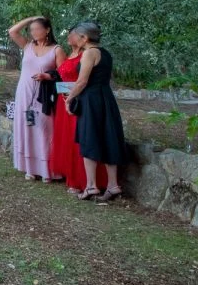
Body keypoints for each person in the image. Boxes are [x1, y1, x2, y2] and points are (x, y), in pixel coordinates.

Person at [67, 22, 128, 202]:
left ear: (84, 38)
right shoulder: (106, 53)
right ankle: (112, 185)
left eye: (76, 36)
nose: (74, 39)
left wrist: (69, 98)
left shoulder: (89, 53)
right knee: (108, 138)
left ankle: (91, 186)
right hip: (106, 99)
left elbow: (82, 81)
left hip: (91, 101)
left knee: (89, 138)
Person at [41, 33, 108, 194]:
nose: (68, 38)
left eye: (72, 35)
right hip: (62, 99)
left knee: (78, 138)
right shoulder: (69, 54)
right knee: (66, 139)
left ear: (82, 38)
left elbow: (85, 80)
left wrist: (72, 94)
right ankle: (70, 176)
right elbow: (61, 74)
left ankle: (83, 180)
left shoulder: (85, 55)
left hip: (77, 101)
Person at [8, 15, 66, 181]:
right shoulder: (27, 46)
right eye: (31, 29)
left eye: (37, 28)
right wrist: (31, 19)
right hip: (24, 93)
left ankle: (47, 169)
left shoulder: (57, 50)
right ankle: (30, 168)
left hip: (44, 96)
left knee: (44, 130)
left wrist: (47, 76)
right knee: (27, 127)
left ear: (47, 30)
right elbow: (12, 31)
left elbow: (64, 74)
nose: (33, 32)